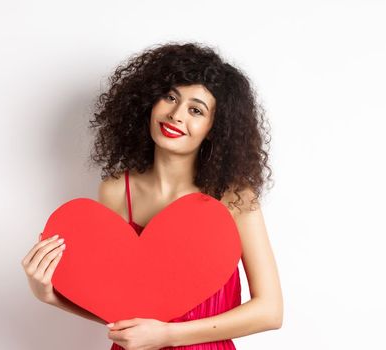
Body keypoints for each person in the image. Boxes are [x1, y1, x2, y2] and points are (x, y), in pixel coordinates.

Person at [23, 41, 282, 350]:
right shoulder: (117, 190)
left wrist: (168, 335)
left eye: (195, 110)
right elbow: (118, 313)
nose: (175, 114)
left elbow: (270, 311)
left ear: (214, 128)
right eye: (170, 97)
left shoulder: (235, 198)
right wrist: (48, 294)